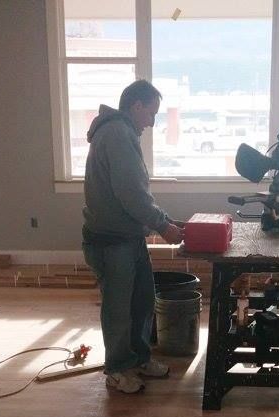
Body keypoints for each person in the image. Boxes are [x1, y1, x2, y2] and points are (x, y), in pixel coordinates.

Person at [82, 79, 184, 394]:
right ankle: (117, 368)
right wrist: (163, 226)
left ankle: (138, 358)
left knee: (141, 301)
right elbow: (132, 194)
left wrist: (162, 220)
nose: (152, 122)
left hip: (128, 238)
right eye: (151, 114)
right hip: (111, 242)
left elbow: (136, 192)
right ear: (136, 106)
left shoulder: (123, 132)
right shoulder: (117, 134)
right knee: (118, 309)